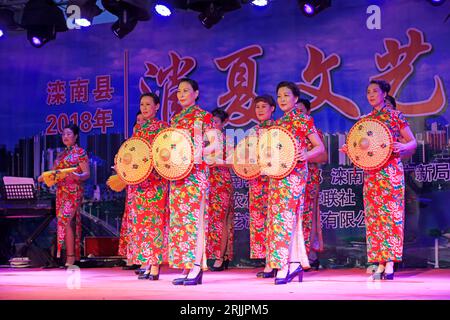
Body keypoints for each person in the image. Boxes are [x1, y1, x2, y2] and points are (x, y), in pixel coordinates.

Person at [340, 80, 417, 280]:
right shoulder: (364, 120)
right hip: (372, 174)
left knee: (390, 216)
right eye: (368, 92)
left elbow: (412, 142)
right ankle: (379, 262)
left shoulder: (395, 116)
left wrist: (404, 147)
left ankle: (390, 262)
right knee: (374, 219)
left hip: (390, 172)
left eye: (375, 91)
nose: (371, 94)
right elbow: (363, 147)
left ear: (384, 94)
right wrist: (351, 149)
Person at [266, 82, 325, 285]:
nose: (282, 99)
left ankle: (285, 265)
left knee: (286, 216)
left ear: (296, 99)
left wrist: (306, 154)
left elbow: (319, 147)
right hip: (277, 175)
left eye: (286, 95)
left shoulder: (303, 120)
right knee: (280, 218)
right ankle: (293, 263)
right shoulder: (277, 124)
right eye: (279, 95)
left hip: (294, 176)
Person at [169, 78, 217, 285]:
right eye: (179, 91)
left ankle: (196, 267)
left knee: (195, 221)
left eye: (186, 90)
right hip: (178, 176)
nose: (181, 94)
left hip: (196, 175)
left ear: (196, 94)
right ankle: (187, 265)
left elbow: (217, 143)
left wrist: (197, 153)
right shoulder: (175, 119)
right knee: (181, 223)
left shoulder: (203, 116)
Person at [126, 93, 169, 280]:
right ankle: (146, 261)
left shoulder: (163, 128)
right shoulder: (138, 130)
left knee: (155, 223)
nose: (144, 108)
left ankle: (155, 265)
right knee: (141, 225)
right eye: (142, 104)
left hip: (157, 182)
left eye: (148, 104)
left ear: (157, 106)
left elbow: (166, 154)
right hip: (140, 183)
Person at [38, 124, 90, 267]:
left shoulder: (80, 152)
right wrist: (44, 177)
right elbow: (54, 174)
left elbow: (86, 174)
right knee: (64, 223)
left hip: (74, 191)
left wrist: (76, 175)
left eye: (68, 134)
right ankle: (68, 256)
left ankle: (71, 257)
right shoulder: (61, 155)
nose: (65, 137)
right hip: (61, 192)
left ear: (76, 136)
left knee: (66, 221)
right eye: (63, 134)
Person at [248, 95, 277, 278]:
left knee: (274, 220)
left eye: (264, 106)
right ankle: (267, 259)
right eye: (257, 106)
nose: (260, 110)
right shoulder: (253, 131)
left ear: (272, 108)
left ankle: (274, 261)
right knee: (259, 219)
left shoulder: (278, 129)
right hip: (256, 181)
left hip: (274, 180)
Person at [298, 98, 328, 270]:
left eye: (301, 111)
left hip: (310, 180)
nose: (297, 114)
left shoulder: (314, 131)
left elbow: (323, 156)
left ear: (308, 113)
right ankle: (297, 255)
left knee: (308, 217)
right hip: (290, 180)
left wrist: (304, 155)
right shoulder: (287, 130)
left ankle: (309, 255)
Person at [206, 108, 235, 271]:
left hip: (222, 182)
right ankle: (212, 254)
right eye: (211, 122)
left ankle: (220, 257)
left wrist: (218, 163)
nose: (213, 125)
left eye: (216, 122)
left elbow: (234, 163)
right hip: (207, 181)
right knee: (209, 219)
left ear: (224, 123)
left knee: (222, 220)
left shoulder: (227, 140)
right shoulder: (205, 141)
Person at [119, 110, 146, 272]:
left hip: (148, 186)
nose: (139, 124)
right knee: (132, 220)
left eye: (143, 121)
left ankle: (145, 258)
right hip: (132, 186)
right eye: (137, 121)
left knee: (145, 221)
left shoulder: (150, 142)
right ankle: (132, 256)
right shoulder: (129, 144)